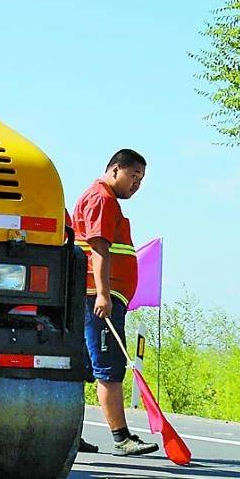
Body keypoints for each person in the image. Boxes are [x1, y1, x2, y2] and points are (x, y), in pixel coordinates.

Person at [70, 149, 156, 458]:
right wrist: (104, 294)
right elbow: (99, 249)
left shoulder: (103, 199)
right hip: (98, 299)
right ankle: (121, 438)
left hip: (99, 297)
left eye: (141, 179)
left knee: (82, 366)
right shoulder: (102, 199)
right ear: (115, 170)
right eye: (133, 176)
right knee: (109, 367)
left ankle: (69, 434)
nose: (136, 184)